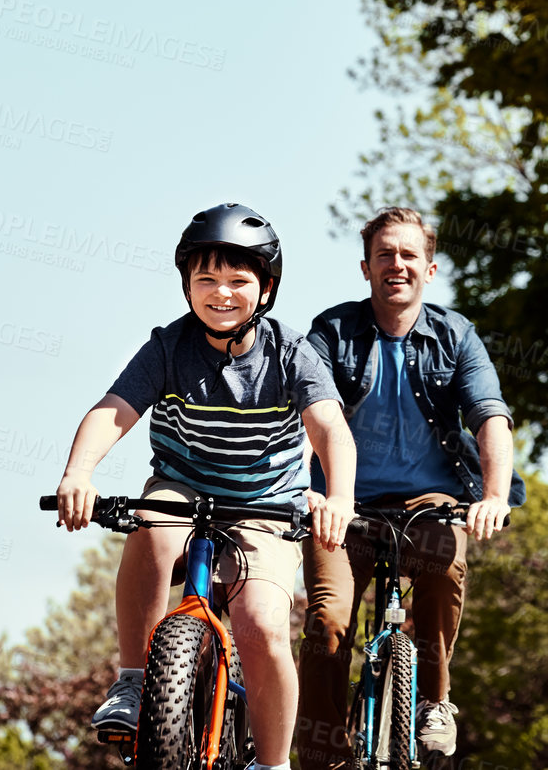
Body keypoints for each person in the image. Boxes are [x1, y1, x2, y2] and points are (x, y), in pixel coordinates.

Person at [53, 202, 355, 770]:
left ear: (265, 290)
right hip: (184, 488)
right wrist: (79, 473)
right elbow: (112, 411)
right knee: (153, 522)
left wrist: (338, 498)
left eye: (238, 281)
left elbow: (330, 430)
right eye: (206, 279)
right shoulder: (168, 347)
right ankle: (133, 681)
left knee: (264, 623)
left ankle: (272, 763)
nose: (222, 293)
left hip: (267, 505)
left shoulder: (293, 354)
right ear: (187, 286)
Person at [297, 206, 524, 769]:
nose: (395, 264)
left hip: (432, 502)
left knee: (444, 568)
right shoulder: (333, 332)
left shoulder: (456, 335)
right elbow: (306, 411)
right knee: (328, 623)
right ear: (365, 268)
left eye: (407, 255)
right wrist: (304, 491)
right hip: (342, 506)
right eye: (383, 255)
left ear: (430, 268)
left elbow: (490, 416)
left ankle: (434, 703)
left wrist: (492, 497)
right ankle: (325, 755)